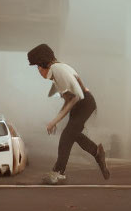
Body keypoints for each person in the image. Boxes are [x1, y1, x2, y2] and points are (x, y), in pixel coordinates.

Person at [27, 43, 110, 185]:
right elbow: (69, 99)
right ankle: (97, 152)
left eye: (38, 66)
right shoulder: (60, 68)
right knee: (73, 134)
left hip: (84, 103)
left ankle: (59, 172)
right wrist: (56, 120)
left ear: (42, 63)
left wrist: (54, 121)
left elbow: (74, 98)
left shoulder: (57, 70)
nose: (38, 70)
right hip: (83, 102)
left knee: (67, 135)